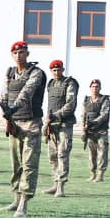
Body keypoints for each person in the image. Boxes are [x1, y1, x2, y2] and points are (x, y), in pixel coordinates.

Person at [0, 41, 45, 217]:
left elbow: (27, 92)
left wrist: (13, 108)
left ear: (28, 54)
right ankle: (16, 199)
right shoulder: (9, 73)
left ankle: (24, 203)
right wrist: (5, 110)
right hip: (15, 123)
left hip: (31, 123)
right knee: (15, 163)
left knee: (29, 164)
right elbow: (4, 92)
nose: (19, 55)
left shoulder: (36, 73)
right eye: (16, 52)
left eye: (22, 52)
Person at [42, 60, 78, 197]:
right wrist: (47, 121)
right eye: (54, 70)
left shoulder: (70, 83)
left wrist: (56, 116)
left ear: (63, 69)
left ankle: (61, 187)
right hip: (52, 125)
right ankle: (55, 183)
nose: (56, 72)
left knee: (62, 154)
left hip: (64, 125)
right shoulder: (50, 84)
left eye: (59, 70)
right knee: (52, 156)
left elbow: (70, 104)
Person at [82, 79, 110, 183]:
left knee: (102, 153)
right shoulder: (86, 100)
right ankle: (92, 174)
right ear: (90, 88)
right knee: (92, 154)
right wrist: (84, 128)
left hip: (101, 131)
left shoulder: (104, 100)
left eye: (97, 86)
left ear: (100, 88)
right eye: (93, 86)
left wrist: (93, 122)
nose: (95, 88)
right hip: (90, 132)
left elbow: (104, 115)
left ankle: (100, 175)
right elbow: (83, 115)